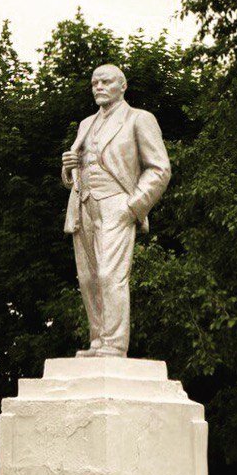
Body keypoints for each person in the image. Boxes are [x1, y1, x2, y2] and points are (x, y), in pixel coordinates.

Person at [61, 64, 171, 358]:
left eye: (105, 81)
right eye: (94, 82)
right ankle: (98, 340)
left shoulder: (139, 119)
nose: (98, 86)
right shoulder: (86, 124)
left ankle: (114, 344)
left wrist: (133, 205)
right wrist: (69, 168)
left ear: (123, 86)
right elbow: (80, 170)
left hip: (116, 203)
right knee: (88, 277)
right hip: (83, 204)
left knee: (111, 274)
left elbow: (160, 169)